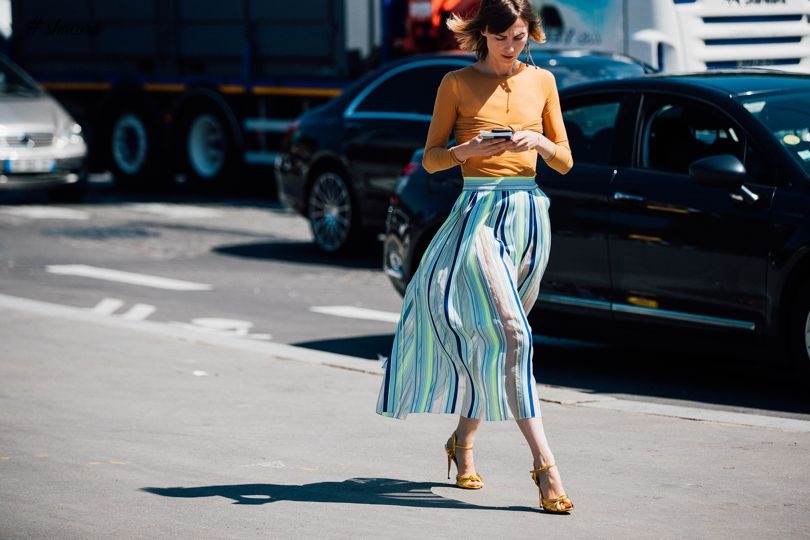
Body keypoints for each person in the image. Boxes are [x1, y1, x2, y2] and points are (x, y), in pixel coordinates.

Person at [376, 0, 575, 514]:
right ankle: (546, 468)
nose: (513, 48)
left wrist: (538, 142)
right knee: (515, 334)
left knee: (500, 345)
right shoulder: (456, 84)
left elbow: (567, 160)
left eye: (521, 38)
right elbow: (431, 158)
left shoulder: (544, 82)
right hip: (478, 213)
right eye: (504, 38)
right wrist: (469, 151)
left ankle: (462, 444)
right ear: (483, 35)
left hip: (531, 214)